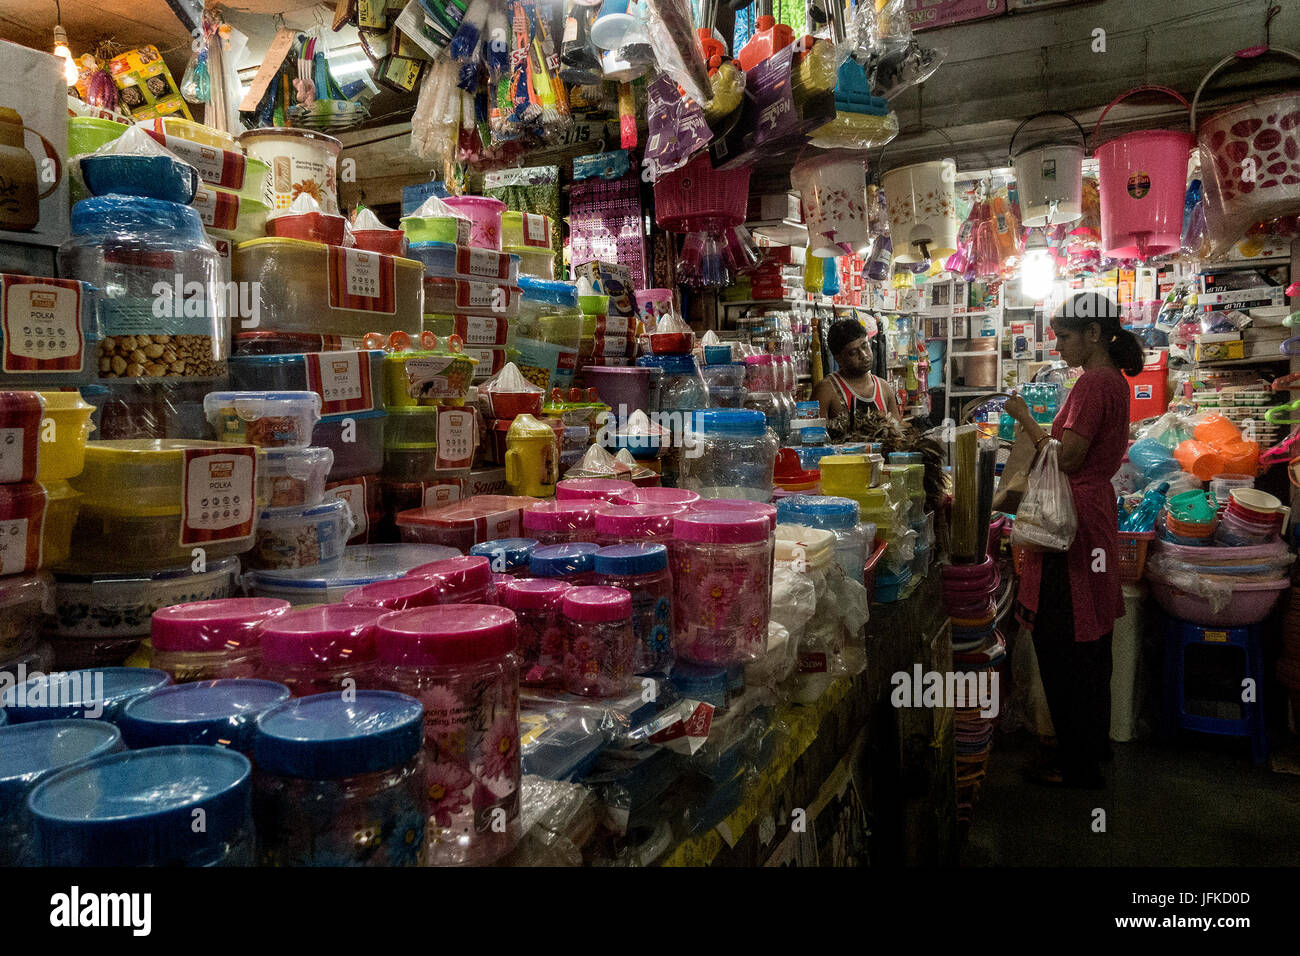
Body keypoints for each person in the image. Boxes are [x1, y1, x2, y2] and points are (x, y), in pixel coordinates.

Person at [1002, 292, 1142, 789]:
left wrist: (1024, 419)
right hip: (1092, 517)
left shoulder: (1092, 383)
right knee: (1092, 640)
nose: (1058, 346)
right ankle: (1090, 747)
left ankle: (1074, 764)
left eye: (1064, 337)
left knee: (1062, 640)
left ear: (1095, 335)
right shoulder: (1113, 382)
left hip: (1072, 525)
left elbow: (1067, 459)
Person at [813, 318, 901, 428]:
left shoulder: (884, 388)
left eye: (865, 346)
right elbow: (812, 437)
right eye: (853, 352)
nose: (863, 355)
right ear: (839, 359)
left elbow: (898, 436)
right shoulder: (826, 390)